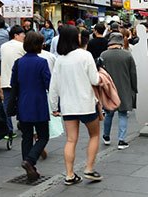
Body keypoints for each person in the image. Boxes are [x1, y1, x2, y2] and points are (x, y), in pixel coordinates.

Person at [49, 25, 102, 186]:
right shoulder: (85, 56)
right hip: (86, 104)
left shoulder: (60, 60)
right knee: (94, 135)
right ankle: (89, 168)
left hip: (68, 106)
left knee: (71, 140)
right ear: (75, 38)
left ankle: (69, 174)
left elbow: (54, 86)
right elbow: (95, 80)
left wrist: (53, 108)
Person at [11, 31, 51, 182]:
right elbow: (48, 83)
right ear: (37, 45)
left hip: (23, 102)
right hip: (39, 103)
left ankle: (30, 170)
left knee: (26, 137)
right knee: (43, 136)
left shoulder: (18, 62)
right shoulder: (42, 62)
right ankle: (30, 161)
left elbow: (13, 83)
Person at [100, 32, 137, 150]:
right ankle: (121, 140)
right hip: (124, 87)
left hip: (108, 89)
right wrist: (134, 88)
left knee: (109, 114)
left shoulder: (103, 55)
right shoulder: (127, 55)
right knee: (122, 114)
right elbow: (133, 74)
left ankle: (106, 136)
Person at [0, 25, 26, 134]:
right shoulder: (23, 46)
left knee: (7, 105)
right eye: (22, 34)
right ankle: (23, 125)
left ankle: (8, 129)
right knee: (22, 103)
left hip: (6, 80)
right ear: (16, 35)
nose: (24, 36)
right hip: (19, 81)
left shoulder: (3, 46)